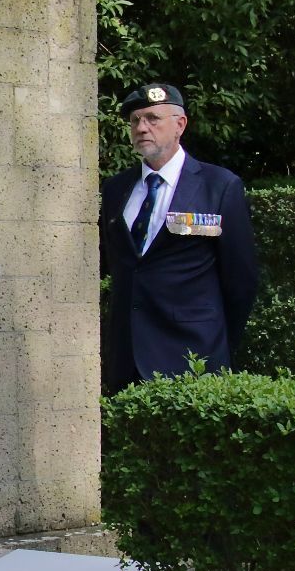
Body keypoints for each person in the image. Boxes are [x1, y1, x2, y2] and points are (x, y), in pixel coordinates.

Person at [99, 83, 259, 394]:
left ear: (180, 124)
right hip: (127, 360)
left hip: (192, 357)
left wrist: (218, 343)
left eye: (153, 118)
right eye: (135, 121)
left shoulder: (219, 186)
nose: (142, 128)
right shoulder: (116, 189)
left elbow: (242, 280)